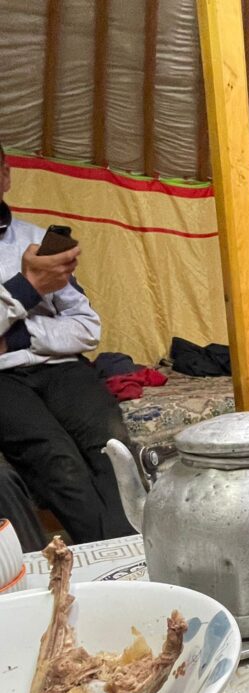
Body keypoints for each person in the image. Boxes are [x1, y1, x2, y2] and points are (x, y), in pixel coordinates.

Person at [0, 142, 132, 543]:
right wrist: (28, 287)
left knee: (112, 449)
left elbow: (87, 327)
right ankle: (116, 558)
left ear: (5, 176)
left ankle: (134, 554)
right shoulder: (35, 263)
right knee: (58, 461)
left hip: (61, 367)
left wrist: (19, 335)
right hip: (3, 381)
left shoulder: (37, 242)